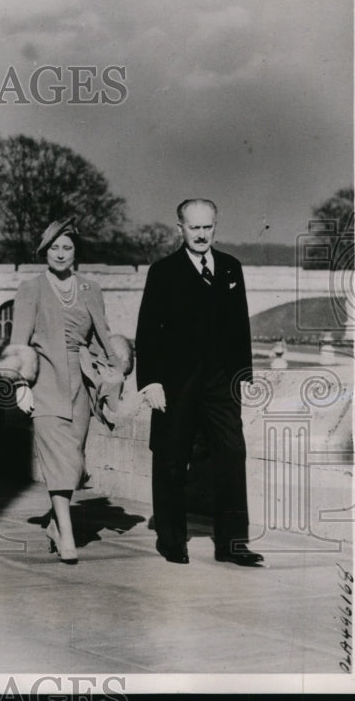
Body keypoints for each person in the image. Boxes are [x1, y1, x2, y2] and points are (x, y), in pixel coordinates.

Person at [135, 198, 263, 567]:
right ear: (181, 229)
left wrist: (243, 376)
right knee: (172, 460)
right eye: (195, 228)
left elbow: (240, 326)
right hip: (176, 384)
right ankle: (172, 541)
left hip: (221, 384)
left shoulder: (229, 268)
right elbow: (147, 332)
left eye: (208, 227)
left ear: (215, 227)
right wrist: (151, 382)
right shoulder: (163, 272)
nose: (202, 234)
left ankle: (232, 545)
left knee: (232, 455)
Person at [0, 217, 124, 565]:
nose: (60, 253)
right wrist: (20, 384)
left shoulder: (90, 289)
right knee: (58, 457)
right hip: (45, 381)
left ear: (75, 252)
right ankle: (67, 533)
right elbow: (18, 342)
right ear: (45, 251)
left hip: (81, 385)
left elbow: (103, 337)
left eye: (67, 247)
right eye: (54, 247)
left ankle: (55, 524)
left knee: (73, 459)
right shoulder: (31, 289)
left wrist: (114, 376)